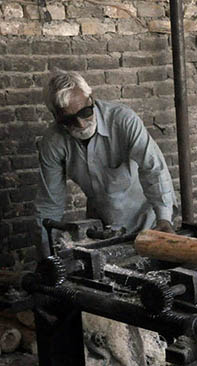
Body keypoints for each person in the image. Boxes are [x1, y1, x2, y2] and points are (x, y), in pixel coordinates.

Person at [35, 71, 176, 257]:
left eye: (85, 113)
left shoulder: (123, 120)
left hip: (149, 223)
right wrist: (47, 254)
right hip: (102, 231)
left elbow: (154, 169)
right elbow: (50, 203)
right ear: (55, 117)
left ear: (91, 99)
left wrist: (164, 219)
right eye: (69, 120)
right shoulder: (53, 142)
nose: (81, 124)